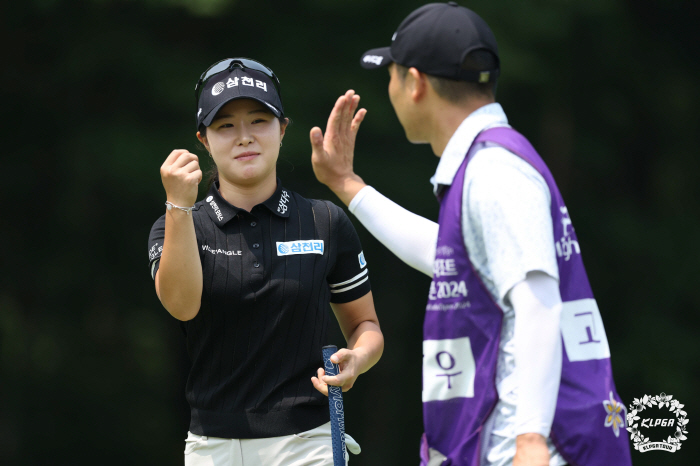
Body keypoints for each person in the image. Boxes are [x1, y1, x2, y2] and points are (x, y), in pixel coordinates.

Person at [310, 3, 632, 466]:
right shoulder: (490, 163)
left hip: (531, 444)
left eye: (393, 74)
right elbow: (446, 255)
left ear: (415, 83)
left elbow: (537, 302)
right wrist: (348, 186)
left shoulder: (493, 171)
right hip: (516, 437)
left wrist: (531, 442)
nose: (390, 87)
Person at [147, 57, 383, 466]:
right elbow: (181, 306)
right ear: (203, 140)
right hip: (212, 448)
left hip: (307, 442)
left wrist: (357, 360)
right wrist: (177, 207)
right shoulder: (179, 224)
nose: (244, 138)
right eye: (225, 126)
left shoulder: (324, 221)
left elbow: (366, 326)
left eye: (259, 120)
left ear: (282, 128)